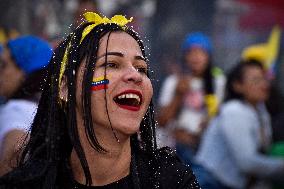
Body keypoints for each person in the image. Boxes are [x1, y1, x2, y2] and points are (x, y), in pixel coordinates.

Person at [0, 12, 200, 188]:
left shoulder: (171, 180)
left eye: (141, 68)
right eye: (112, 64)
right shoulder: (25, 183)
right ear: (65, 88)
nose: (135, 76)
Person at [196, 59, 284, 189]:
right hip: (209, 182)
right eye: (256, 80)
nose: (264, 85)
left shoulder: (260, 109)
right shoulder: (234, 111)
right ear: (237, 85)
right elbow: (247, 163)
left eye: (264, 79)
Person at [157, 32, 225, 164]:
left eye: (201, 52)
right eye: (191, 52)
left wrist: (202, 132)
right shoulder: (173, 81)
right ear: (184, 57)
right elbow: (162, 121)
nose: (196, 57)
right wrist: (178, 94)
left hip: (205, 151)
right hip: (174, 147)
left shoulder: (218, 82)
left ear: (209, 57)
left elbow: (219, 118)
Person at [0, 35, 52, 175]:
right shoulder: (46, 106)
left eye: (3, 65)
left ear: (24, 72)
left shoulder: (16, 109)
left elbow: (14, 154)